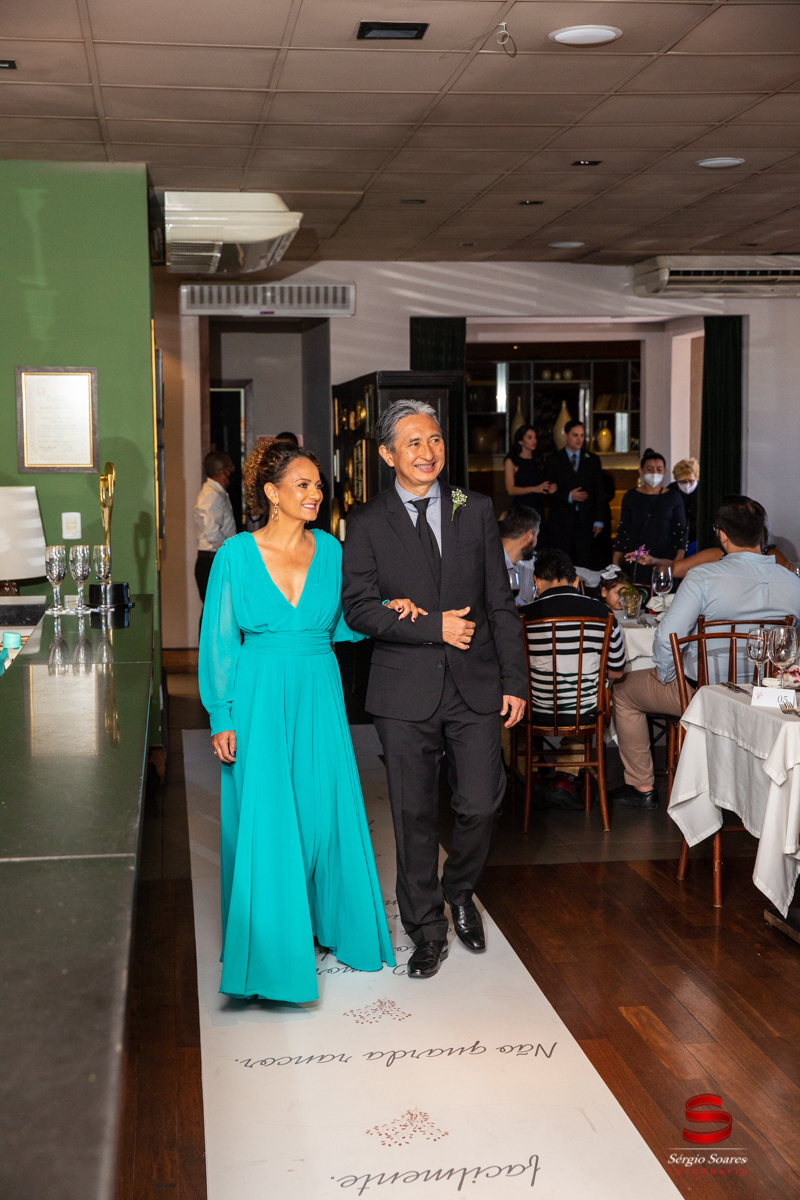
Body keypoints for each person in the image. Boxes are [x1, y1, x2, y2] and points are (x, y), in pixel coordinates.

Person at [199, 438, 410, 1002]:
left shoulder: (332, 551)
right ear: (271, 493)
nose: (316, 493)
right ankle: (271, 954)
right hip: (259, 694)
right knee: (268, 817)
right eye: (303, 485)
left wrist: (387, 611)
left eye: (318, 485)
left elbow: (342, 624)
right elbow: (219, 640)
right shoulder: (235, 555)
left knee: (322, 813)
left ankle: (325, 923)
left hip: (318, 688)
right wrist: (221, 714)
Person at [342, 399, 527, 980]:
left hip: (475, 684)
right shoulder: (367, 521)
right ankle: (425, 929)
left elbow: (499, 600)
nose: (428, 453)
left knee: (481, 802)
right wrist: (431, 626)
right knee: (413, 814)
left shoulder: (475, 508)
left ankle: (459, 890)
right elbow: (358, 608)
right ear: (387, 454)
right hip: (403, 690)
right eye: (414, 443)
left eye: (435, 440)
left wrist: (515, 680)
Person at [611, 496, 800, 810]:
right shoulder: (792, 582)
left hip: (706, 692)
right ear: (762, 535)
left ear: (722, 536)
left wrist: (667, 675)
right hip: (768, 696)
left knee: (623, 690)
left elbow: (668, 637)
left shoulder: (703, 577)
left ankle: (641, 786)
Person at [519, 549, 626, 808]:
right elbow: (617, 671)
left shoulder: (521, 615)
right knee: (585, 700)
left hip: (534, 709)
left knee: (505, 713)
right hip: (585, 710)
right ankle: (564, 779)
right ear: (576, 581)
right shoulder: (603, 614)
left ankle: (530, 776)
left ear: (536, 582)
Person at [613, 449, 687, 587]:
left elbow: (681, 531)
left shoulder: (673, 497)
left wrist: (678, 563)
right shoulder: (631, 496)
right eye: (649, 469)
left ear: (665, 471)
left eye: (659, 469)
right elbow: (624, 530)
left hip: (665, 558)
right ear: (641, 471)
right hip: (637, 558)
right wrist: (616, 562)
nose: (654, 473)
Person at [543, 420, 605, 570]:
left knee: (585, 561)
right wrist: (569, 496)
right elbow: (547, 490)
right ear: (566, 436)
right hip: (561, 520)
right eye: (575, 435)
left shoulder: (592, 460)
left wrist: (599, 519)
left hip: (586, 520)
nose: (579, 439)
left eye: (582, 435)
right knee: (561, 562)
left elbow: (599, 491)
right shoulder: (554, 460)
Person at [194, 451, 236, 604]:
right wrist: (232, 551)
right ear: (223, 470)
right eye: (230, 467)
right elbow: (213, 534)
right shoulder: (212, 495)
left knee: (217, 610)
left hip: (214, 559)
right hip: (212, 561)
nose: (233, 470)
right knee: (215, 610)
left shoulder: (216, 493)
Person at [504, 425, 555, 522]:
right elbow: (510, 490)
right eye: (529, 438)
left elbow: (544, 482)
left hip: (537, 506)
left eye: (535, 437)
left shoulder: (538, 460)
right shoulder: (512, 461)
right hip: (521, 507)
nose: (534, 440)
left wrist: (552, 486)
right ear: (520, 441)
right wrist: (535, 488)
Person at [500, 505, 540, 606]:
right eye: (536, 536)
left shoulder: (531, 565)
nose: (536, 542)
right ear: (528, 536)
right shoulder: (487, 564)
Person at [669, 457, 699, 556]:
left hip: (698, 538)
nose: (687, 485)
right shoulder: (670, 491)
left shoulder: (704, 490)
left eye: (691, 481)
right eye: (682, 481)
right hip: (675, 538)